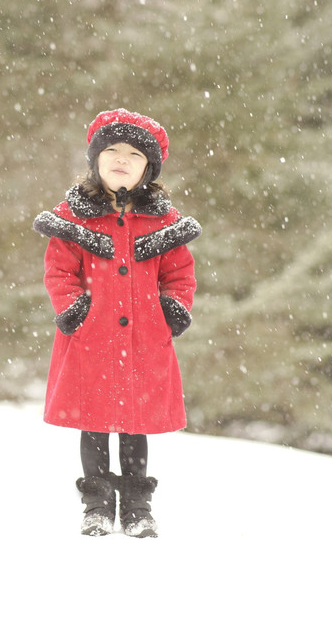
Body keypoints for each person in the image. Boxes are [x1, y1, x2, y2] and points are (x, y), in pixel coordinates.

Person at [32, 109, 201, 537]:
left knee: (134, 423)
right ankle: (97, 504)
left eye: (132, 153)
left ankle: (137, 507)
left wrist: (173, 308)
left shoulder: (163, 221)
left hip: (145, 339)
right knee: (93, 420)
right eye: (111, 150)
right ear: (95, 160)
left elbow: (179, 274)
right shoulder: (74, 218)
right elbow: (59, 272)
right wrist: (75, 309)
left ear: (149, 167)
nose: (121, 158)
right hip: (91, 338)